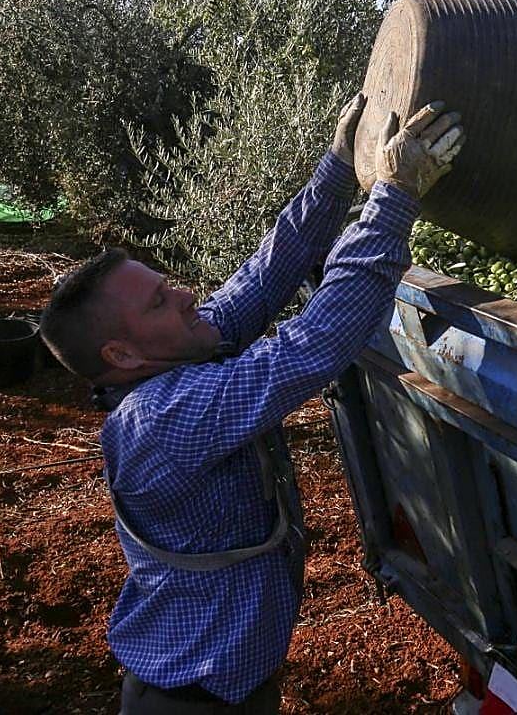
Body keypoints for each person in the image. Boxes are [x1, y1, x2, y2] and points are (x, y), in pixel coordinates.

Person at [38, 95, 464, 714]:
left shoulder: (177, 355)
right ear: (122, 355)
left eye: (166, 283)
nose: (185, 294)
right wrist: (395, 199)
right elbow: (309, 347)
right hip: (194, 700)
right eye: (160, 302)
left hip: (228, 682)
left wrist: (339, 168)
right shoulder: (162, 420)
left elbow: (261, 280)